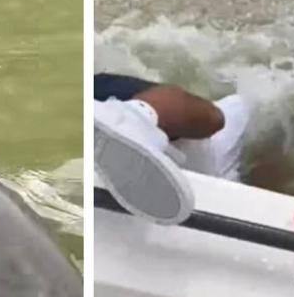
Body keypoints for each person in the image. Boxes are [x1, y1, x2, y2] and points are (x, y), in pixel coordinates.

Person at [94, 72, 250, 225]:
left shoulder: (97, 92)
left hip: (223, 147)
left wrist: (138, 115)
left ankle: (135, 116)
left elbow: (214, 118)